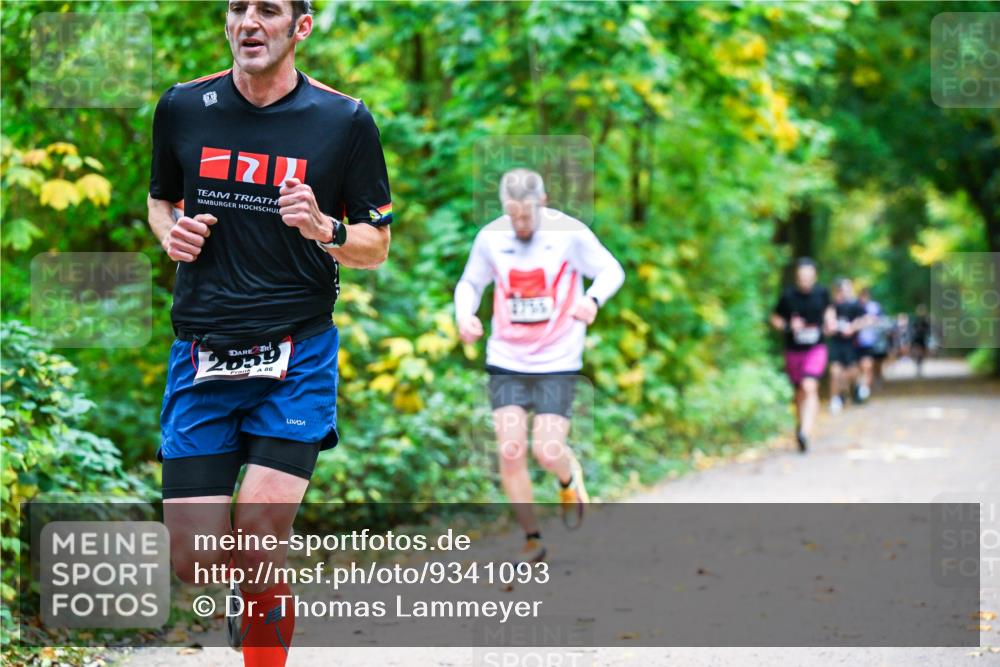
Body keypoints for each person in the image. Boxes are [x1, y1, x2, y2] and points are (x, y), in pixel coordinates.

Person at [147, 2, 392, 665]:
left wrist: (327, 229)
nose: (249, 21)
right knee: (195, 558)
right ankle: (250, 593)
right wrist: (173, 232)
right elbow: (160, 198)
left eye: (269, 9)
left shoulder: (344, 121)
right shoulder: (182, 107)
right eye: (237, 8)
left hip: (297, 354)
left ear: (301, 27)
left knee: (259, 533)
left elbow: (377, 243)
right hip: (202, 353)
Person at [454, 168, 624, 562]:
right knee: (510, 450)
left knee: (547, 450)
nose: (520, 224)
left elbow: (612, 270)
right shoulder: (491, 238)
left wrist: (593, 300)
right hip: (507, 358)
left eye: (526, 216)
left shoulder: (569, 234)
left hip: (557, 358)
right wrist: (465, 314)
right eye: (513, 216)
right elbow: (470, 284)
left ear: (542, 203)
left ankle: (568, 477)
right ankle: (532, 537)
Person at [770, 257, 835, 451]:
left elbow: (829, 310)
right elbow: (775, 318)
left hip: (816, 348)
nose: (805, 280)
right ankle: (800, 426)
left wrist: (830, 321)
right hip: (794, 350)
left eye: (809, 277)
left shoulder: (822, 293)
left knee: (810, 386)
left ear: (815, 276)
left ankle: (805, 432)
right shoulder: (788, 296)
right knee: (799, 393)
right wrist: (788, 325)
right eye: (801, 277)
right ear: (797, 277)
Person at [826, 278, 866, 412]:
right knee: (834, 372)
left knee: (852, 372)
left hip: (852, 345)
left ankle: (855, 387)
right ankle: (835, 399)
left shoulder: (855, 305)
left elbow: (866, 319)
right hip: (837, 344)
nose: (845, 292)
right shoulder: (832, 306)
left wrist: (853, 327)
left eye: (848, 289)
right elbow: (827, 322)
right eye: (843, 290)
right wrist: (829, 326)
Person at [855, 288, 889, 395]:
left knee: (868, 365)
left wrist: (874, 321)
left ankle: (865, 389)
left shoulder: (875, 307)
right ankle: (860, 387)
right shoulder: (855, 306)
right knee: (859, 367)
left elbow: (884, 322)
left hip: (872, 342)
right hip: (856, 342)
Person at [911, 304, 932, 377]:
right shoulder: (915, 319)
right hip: (916, 339)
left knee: (921, 354)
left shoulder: (925, 320)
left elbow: (928, 330)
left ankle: (919, 366)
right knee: (917, 353)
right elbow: (911, 329)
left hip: (922, 339)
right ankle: (918, 365)